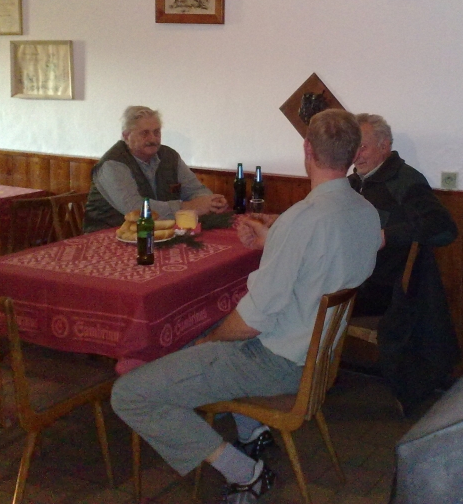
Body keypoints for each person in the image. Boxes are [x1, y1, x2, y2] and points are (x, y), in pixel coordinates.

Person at [111, 109, 381, 504]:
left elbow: (251, 322)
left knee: (131, 393)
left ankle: (246, 473)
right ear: (355, 154)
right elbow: (327, 257)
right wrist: (274, 239)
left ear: (307, 149)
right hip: (317, 354)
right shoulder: (366, 213)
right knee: (204, 328)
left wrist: (210, 342)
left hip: (277, 363)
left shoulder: (301, 220)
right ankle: (252, 431)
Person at [348, 113, 460, 415]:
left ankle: (300, 380)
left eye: (363, 147)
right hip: (354, 277)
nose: (356, 155)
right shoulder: (351, 184)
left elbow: (443, 227)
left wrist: (387, 235)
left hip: (381, 289)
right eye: (352, 147)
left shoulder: (405, 180)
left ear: (384, 146)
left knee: (302, 294)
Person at [84, 106, 228, 231]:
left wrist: (211, 202)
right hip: (108, 237)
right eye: (144, 133)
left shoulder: (169, 156)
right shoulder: (112, 164)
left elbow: (194, 189)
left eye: (156, 132)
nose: (153, 139)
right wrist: (187, 207)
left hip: (158, 233)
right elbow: (136, 209)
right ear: (126, 136)